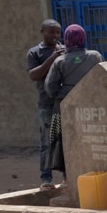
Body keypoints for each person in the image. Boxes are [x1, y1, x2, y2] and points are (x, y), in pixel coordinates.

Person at [43, 23, 102, 178]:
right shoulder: (95, 56)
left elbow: (50, 87)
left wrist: (64, 95)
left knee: (65, 140)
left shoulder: (60, 61)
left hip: (65, 107)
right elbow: (103, 78)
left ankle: (68, 177)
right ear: (83, 38)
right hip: (91, 105)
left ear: (67, 39)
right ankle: (93, 173)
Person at [26, 19, 65, 189]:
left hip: (63, 102)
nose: (55, 36)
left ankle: (67, 177)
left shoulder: (64, 49)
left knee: (66, 141)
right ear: (42, 31)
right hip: (46, 104)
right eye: (51, 32)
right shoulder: (35, 52)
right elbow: (34, 75)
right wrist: (53, 58)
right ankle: (46, 179)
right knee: (47, 143)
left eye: (58, 32)